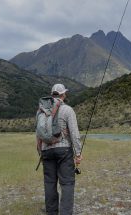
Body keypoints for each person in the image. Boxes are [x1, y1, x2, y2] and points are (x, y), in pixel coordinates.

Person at [36, 83, 83, 215]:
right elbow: (74, 133)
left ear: (52, 94)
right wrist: (78, 154)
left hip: (46, 151)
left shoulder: (41, 111)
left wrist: (41, 152)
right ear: (63, 94)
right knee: (67, 183)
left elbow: (38, 135)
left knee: (49, 183)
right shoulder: (68, 110)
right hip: (64, 151)